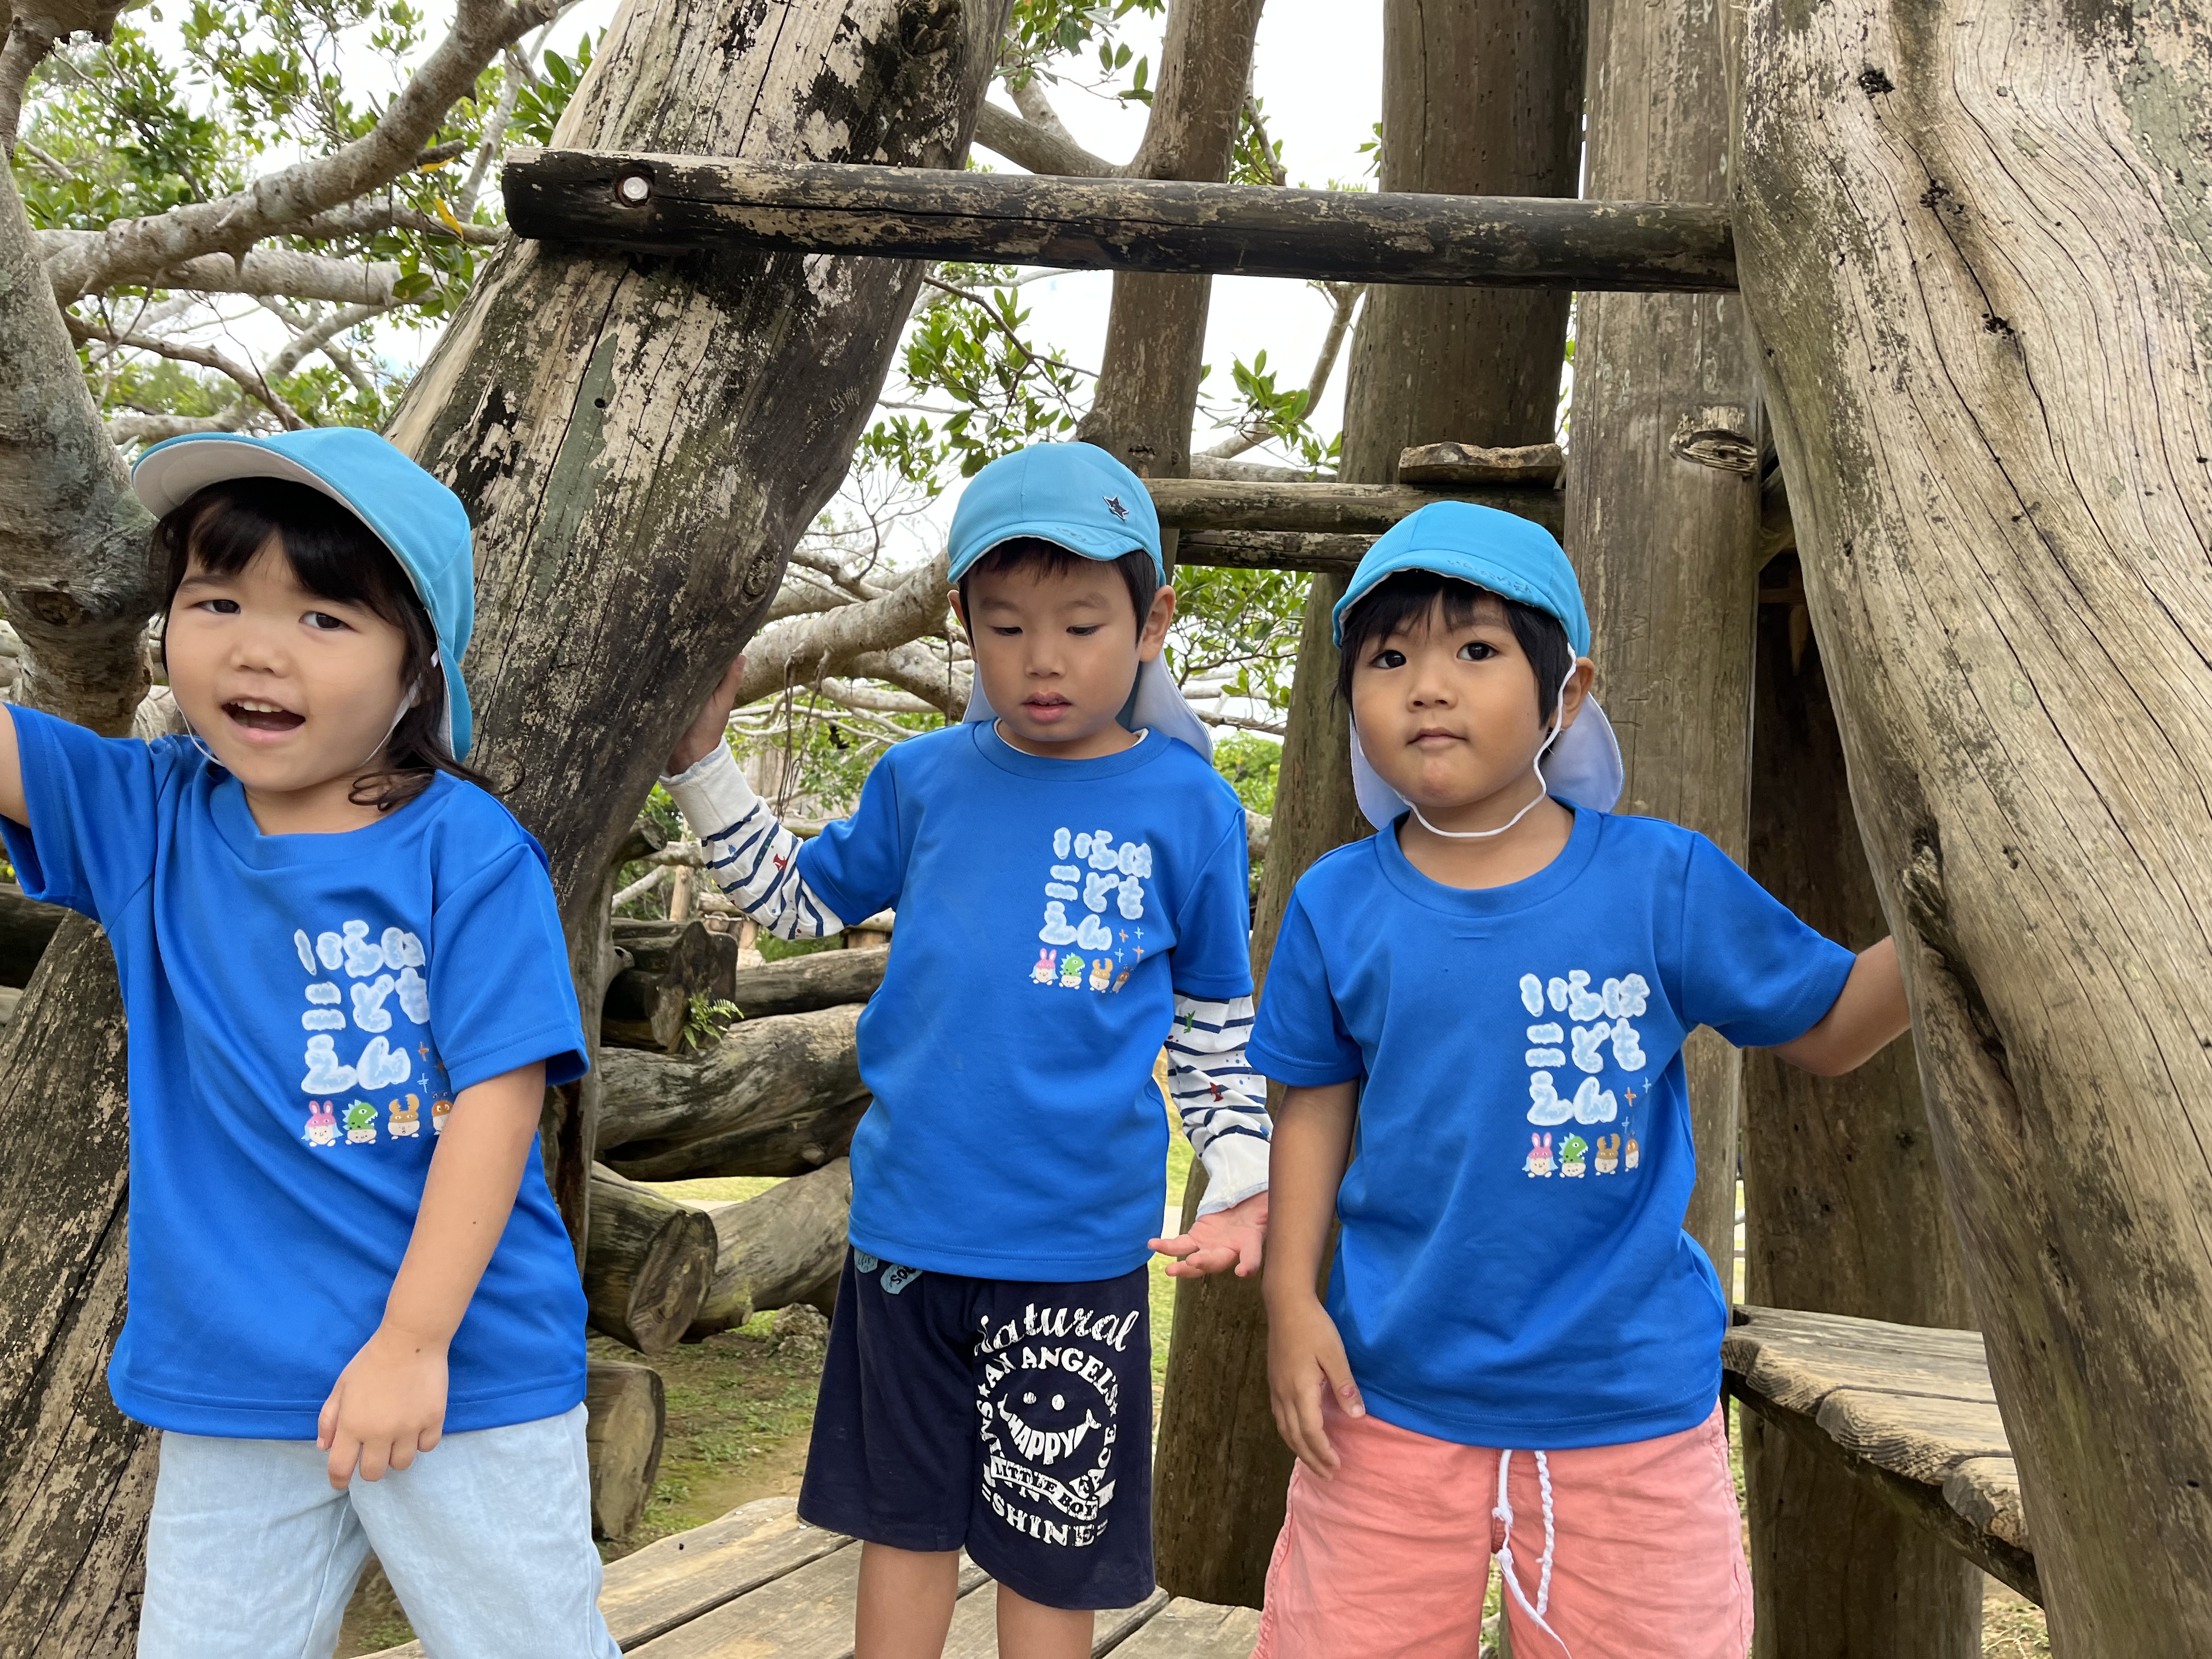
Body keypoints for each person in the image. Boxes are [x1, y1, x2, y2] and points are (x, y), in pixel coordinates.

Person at [1248, 503, 1913, 1659]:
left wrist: (1965, 910)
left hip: (1627, 1408)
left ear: (1567, 693)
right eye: (1389, 659)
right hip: (1386, 1397)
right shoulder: (1334, 903)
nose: (1427, 687)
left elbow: (1834, 1027)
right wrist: (1290, 1302)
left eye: (1477, 649)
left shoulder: (1662, 881)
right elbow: (1313, 1105)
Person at [0, 430, 614, 1659]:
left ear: (417, 666)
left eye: (325, 617)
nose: (258, 648)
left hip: (464, 1370)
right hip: (237, 1380)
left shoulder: (467, 852)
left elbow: (502, 1105)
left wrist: (414, 1343)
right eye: (217, 601)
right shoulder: (152, 817)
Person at [657, 441, 1271, 1659]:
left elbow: (1213, 1020)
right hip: (908, 1239)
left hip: (1078, 1251)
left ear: (1152, 625)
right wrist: (702, 761)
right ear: (961, 621)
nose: (1043, 659)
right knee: (904, 1525)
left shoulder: (1189, 807)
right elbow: (793, 901)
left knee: (1052, 1543)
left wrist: (1244, 1173)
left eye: (1083, 626)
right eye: (1005, 626)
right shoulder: (921, 779)